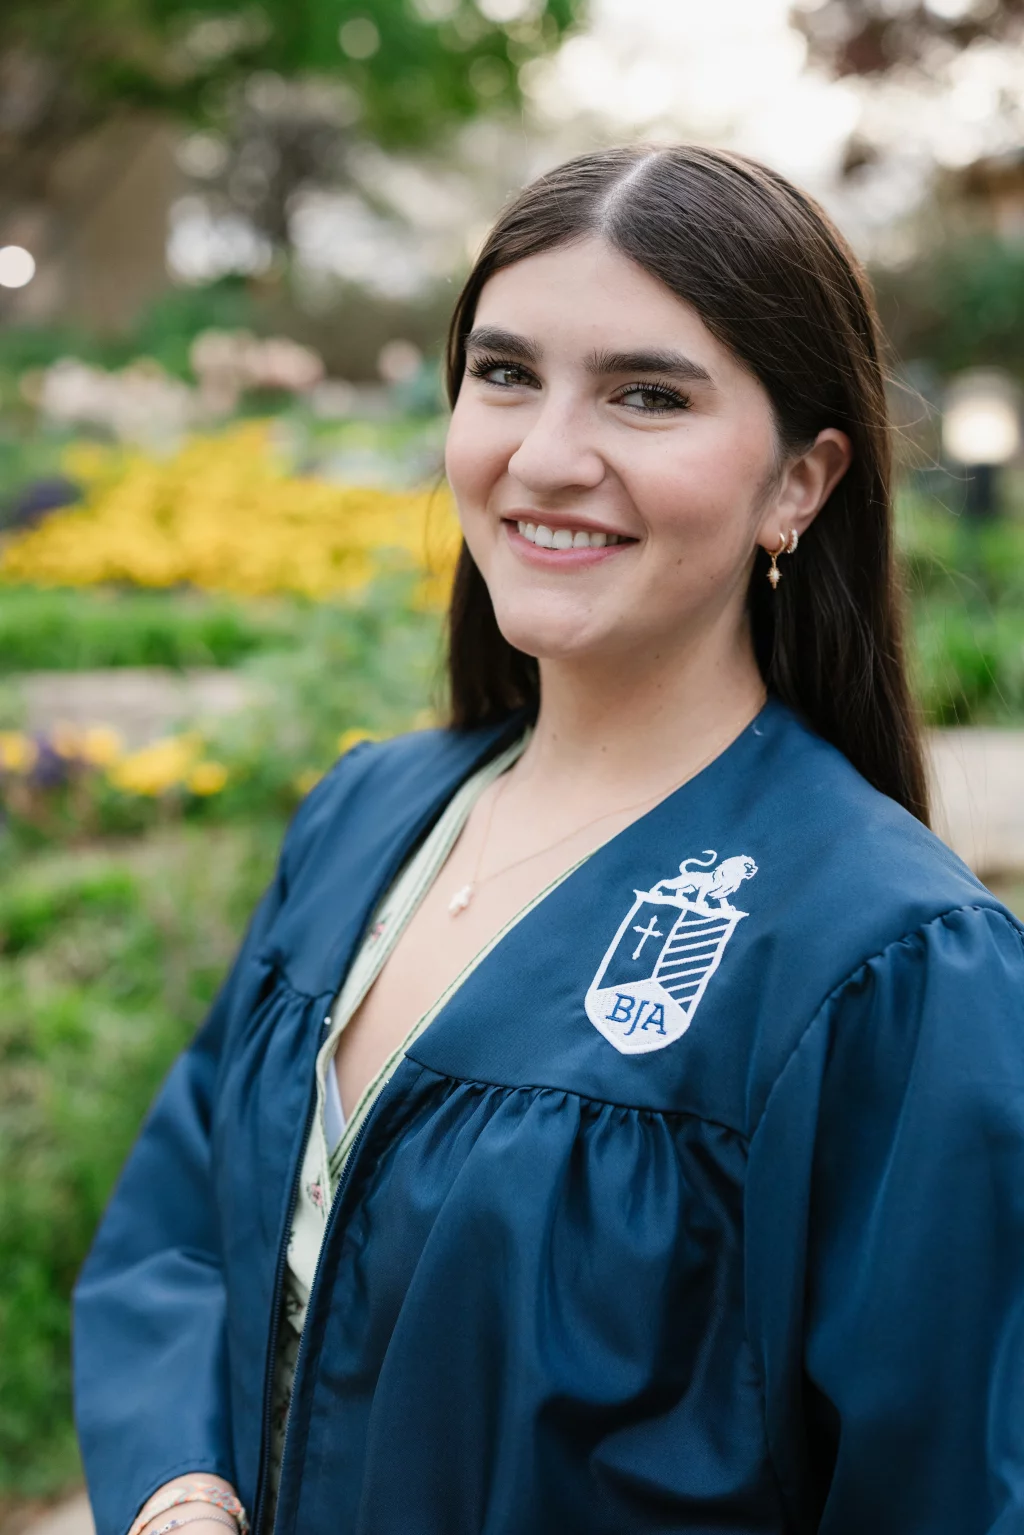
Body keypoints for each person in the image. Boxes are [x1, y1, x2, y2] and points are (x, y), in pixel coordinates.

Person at [74, 145, 1024, 1535]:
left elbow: (944, 1490)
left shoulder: (886, 960)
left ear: (799, 484)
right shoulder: (368, 812)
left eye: (648, 394)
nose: (546, 456)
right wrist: (178, 1489)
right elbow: (178, 1221)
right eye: (506, 373)